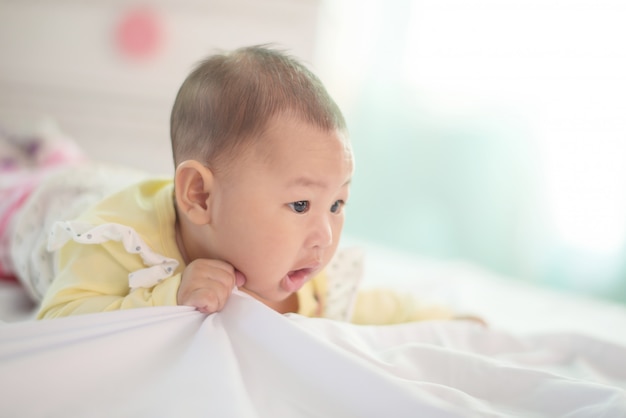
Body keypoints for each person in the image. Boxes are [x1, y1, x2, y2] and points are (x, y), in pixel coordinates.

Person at [0, 45, 458, 323]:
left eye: (337, 204)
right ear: (200, 196)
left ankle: (50, 148)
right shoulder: (113, 237)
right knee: (21, 181)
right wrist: (170, 295)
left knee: (62, 158)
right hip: (50, 203)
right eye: (301, 205)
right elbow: (60, 316)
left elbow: (371, 306)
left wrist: (447, 319)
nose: (325, 235)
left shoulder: (297, 272)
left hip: (127, 181)